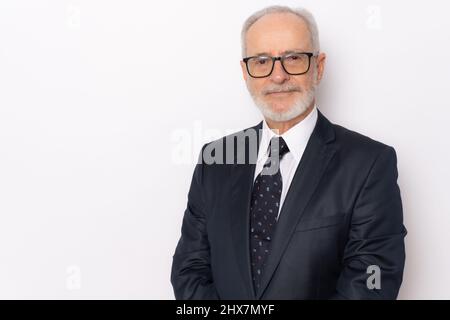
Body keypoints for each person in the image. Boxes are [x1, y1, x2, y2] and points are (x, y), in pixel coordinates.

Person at [171, 5, 406, 299]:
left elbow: (373, 281)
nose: (278, 76)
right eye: (261, 61)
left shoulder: (369, 164)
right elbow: (189, 269)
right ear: (246, 72)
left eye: (293, 58)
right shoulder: (216, 159)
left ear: (318, 67)